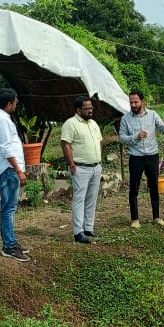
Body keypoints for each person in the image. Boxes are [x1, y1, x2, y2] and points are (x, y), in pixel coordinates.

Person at [118, 90, 164, 228]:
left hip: (152, 156)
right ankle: (135, 219)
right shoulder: (125, 119)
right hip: (136, 158)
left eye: (136, 102)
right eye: (131, 102)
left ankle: (156, 217)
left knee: (154, 187)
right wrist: (136, 137)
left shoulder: (153, 115)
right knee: (134, 189)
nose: (133, 104)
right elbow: (122, 138)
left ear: (142, 101)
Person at [0, 88, 30, 262]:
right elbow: (6, 148)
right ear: (9, 103)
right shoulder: (1, 120)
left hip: (8, 169)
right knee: (8, 209)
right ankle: (9, 246)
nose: (17, 103)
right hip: (8, 169)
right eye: (15, 101)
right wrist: (18, 170)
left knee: (9, 208)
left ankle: (11, 242)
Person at [61, 95, 104, 244]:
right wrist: (71, 164)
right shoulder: (70, 124)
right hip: (80, 168)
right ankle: (78, 232)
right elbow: (65, 144)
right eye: (87, 109)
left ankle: (88, 228)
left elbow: (99, 141)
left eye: (91, 108)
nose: (90, 111)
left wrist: (99, 160)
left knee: (91, 198)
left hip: (95, 167)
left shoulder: (93, 123)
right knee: (79, 199)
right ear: (78, 109)